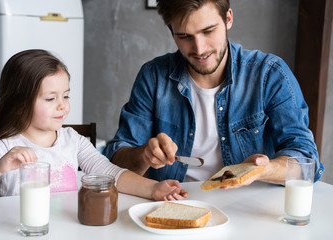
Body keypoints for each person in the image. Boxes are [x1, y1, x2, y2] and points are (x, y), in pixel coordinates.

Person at [103, 0, 324, 186]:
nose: (199, 49)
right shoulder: (153, 76)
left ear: (228, 18)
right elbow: (115, 160)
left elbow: (306, 161)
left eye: (208, 31)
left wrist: (262, 170)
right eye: (184, 36)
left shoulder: (269, 74)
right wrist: (145, 155)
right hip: (173, 205)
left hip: (246, 211)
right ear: (171, 31)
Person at [0, 49, 188, 202]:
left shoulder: (72, 139)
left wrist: (154, 189)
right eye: (50, 99)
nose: (62, 106)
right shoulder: (6, 149)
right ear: (19, 105)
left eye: (65, 96)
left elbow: (109, 172)